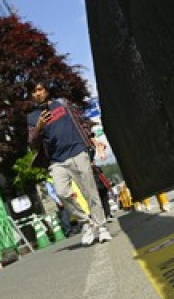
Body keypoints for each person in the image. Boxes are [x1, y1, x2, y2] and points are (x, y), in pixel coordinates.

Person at [27, 81, 111, 246]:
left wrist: (93, 140)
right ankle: (87, 222)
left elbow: (81, 122)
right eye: (34, 91)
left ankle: (102, 227)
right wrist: (39, 127)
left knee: (90, 192)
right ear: (31, 95)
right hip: (57, 161)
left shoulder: (63, 103)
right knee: (62, 193)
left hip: (78, 152)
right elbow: (32, 143)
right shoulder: (32, 117)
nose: (37, 93)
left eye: (40, 89)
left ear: (46, 90)